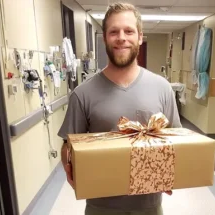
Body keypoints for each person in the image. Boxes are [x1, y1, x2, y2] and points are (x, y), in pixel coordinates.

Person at [58, 2, 182, 215]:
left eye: (129, 31)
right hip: (101, 206)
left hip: (149, 206)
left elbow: (177, 140)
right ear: (105, 37)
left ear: (140, 37)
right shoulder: (83, 93)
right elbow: (68, 145)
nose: (121, 37)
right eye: (113, 31)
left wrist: (173, 172)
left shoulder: (162, 88)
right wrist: (71, 166)